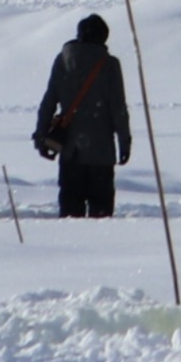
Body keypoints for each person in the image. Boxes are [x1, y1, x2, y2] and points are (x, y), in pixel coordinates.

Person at [34, 14, 132, 218]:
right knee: (101, 214)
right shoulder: (109, 64)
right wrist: (124, 141)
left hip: (70, 151)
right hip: (101, 152)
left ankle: (72, 248)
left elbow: (48, 102)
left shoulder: (63, 59)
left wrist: (41, 136)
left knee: (70, 212)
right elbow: (118, 108)